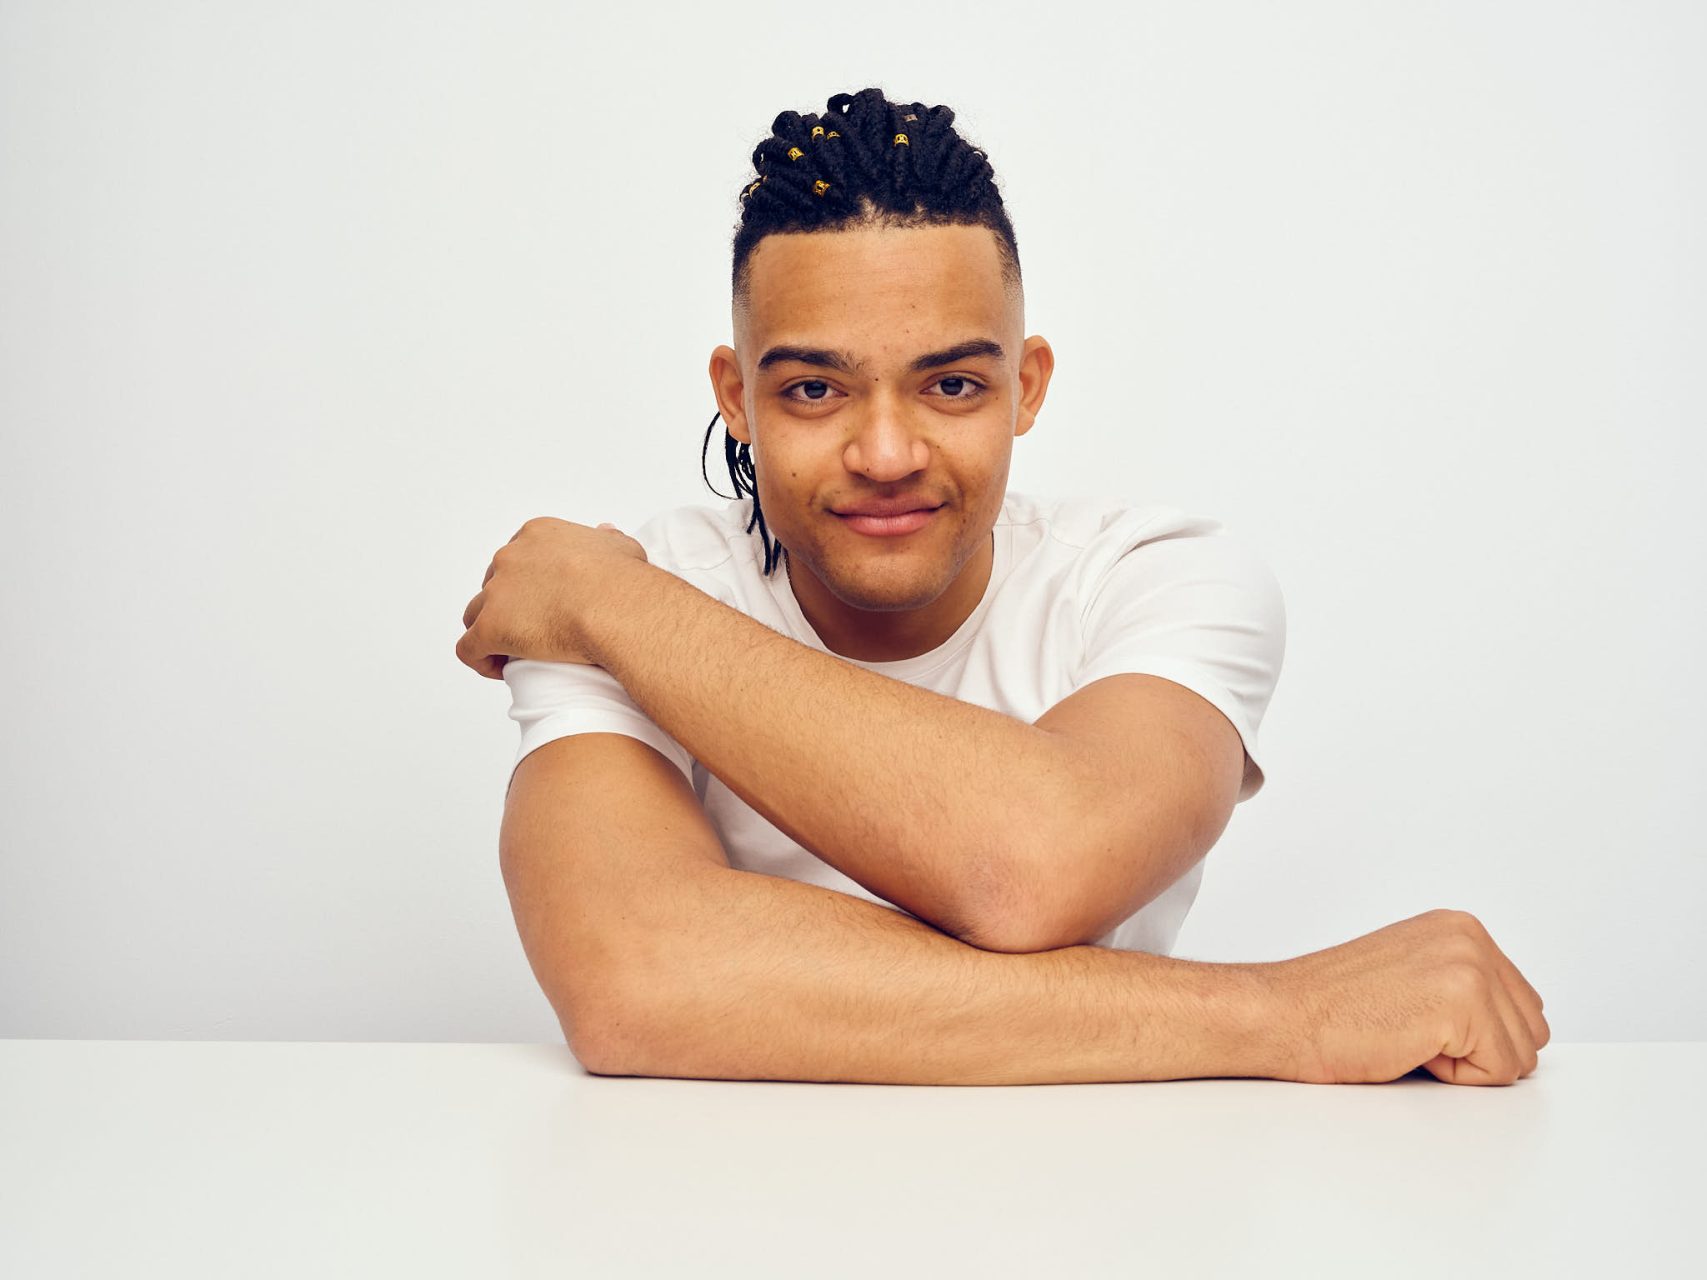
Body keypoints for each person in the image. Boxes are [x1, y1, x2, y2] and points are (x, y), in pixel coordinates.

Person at [455, 87, 1548, 1087]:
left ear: (1025, 387)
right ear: (736, 397)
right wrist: (1284, 1016)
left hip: (1093, 1195)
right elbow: (639, 980)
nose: (886, 453)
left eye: (951, 384)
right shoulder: (634, 589)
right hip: (721, 1205)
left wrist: (617, 609)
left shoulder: (1153, 578)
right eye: (815, 389)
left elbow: (1033, 865)